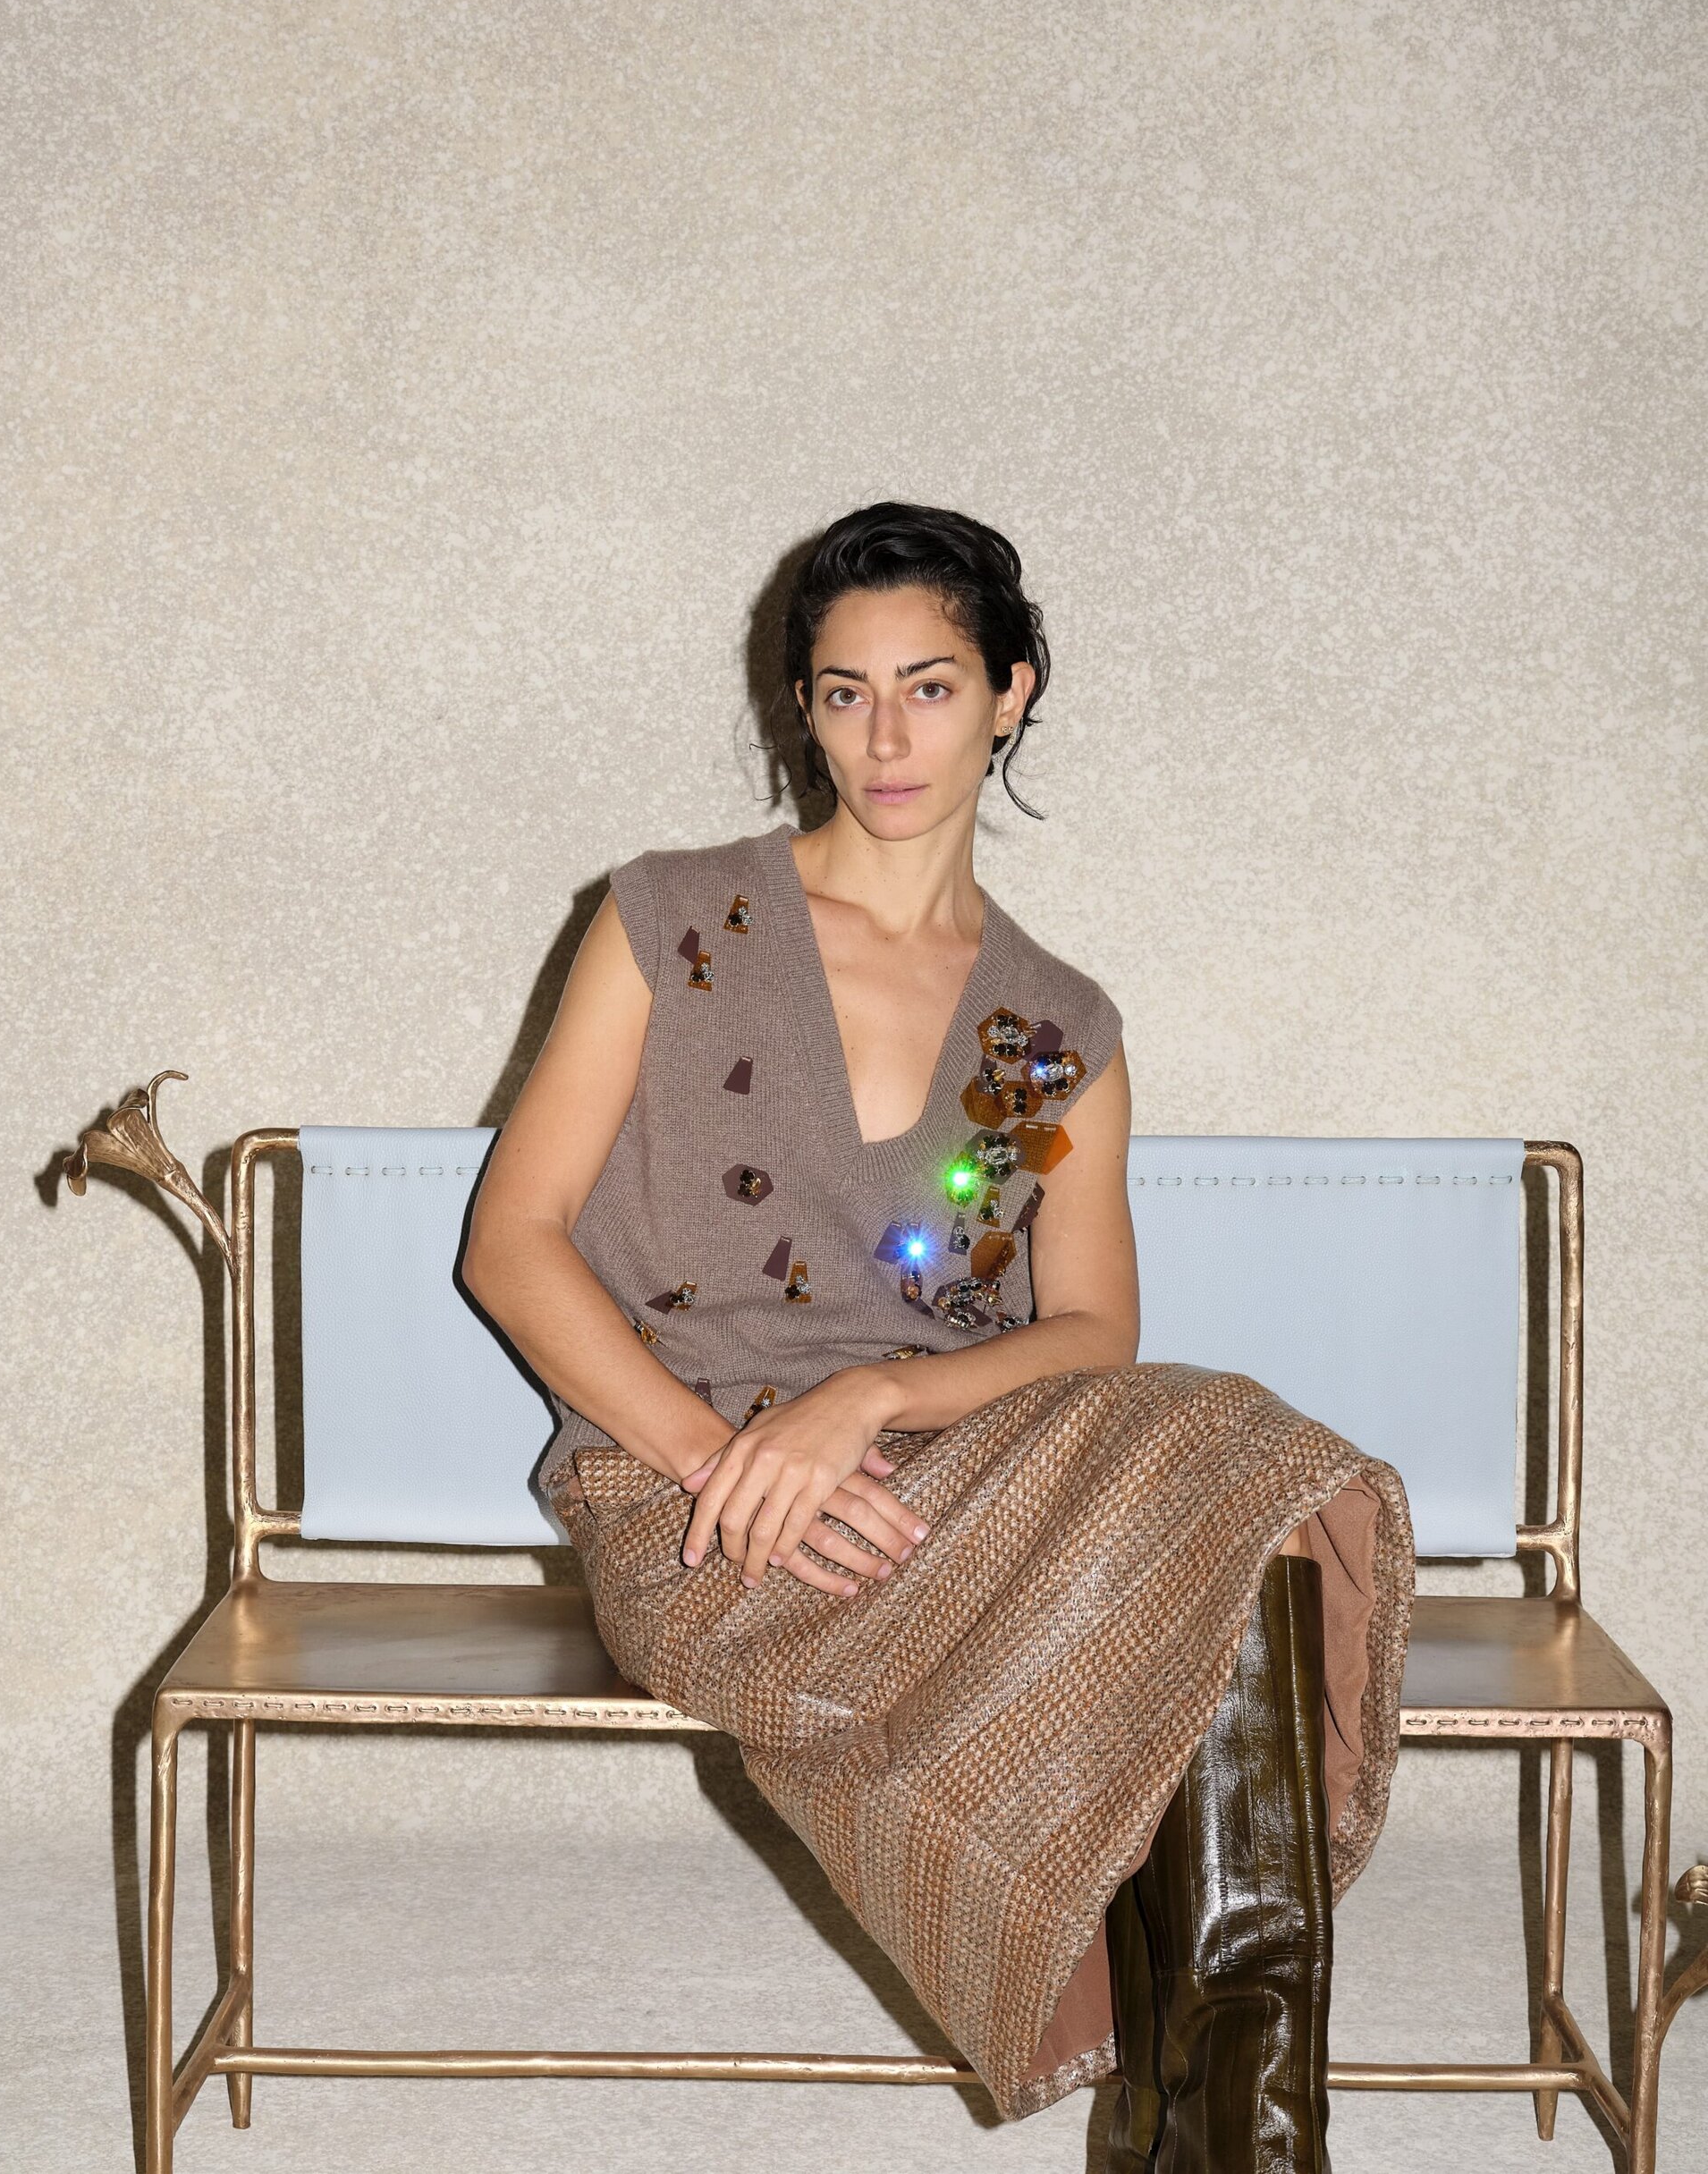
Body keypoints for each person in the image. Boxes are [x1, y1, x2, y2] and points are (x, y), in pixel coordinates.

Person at [461, 503, 1413, 2170]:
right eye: (845, 694)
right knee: (1221, 1536)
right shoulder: (672, 919)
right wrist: (727, 1456)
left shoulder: (1056, 1028)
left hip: (956, 1469)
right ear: (802, 709)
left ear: (1010, 694)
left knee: (1241, 1472)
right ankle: (1220, 2130)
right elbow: (513, 1246)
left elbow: (1095, 1329)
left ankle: (1234, 2127)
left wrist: (877, 1393)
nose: (887, 739)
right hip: (688, 1494)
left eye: (931, 687)